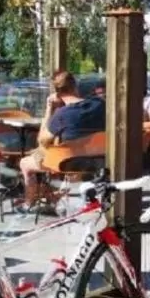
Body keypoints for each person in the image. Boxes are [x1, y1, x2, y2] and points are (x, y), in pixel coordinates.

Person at [20, 70, 105, 210]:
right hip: (98, 160)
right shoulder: (99, 105)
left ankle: (28, 204)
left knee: (25, 163)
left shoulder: (62, 115)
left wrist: (49, 108)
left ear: (56, 93)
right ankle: (55, 196)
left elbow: (42, 140)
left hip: (68, 163)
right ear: (75, 86)